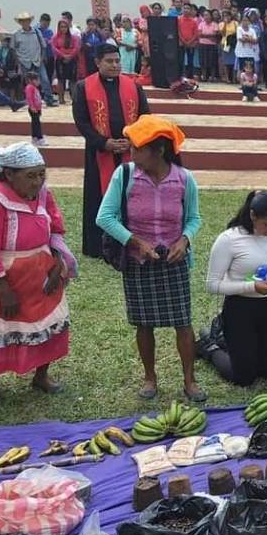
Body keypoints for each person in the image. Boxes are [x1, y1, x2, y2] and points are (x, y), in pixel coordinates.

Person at [0, 143, 75, 404]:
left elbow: (55, 228)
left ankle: (41, 376)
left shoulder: (42, 193)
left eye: (41, 174)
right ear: (9, 174)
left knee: (47, 322)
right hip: (3, 275)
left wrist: (56, 262)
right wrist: (2, 288)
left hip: (41, 272)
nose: (38, 181)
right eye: (30, 176)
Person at [96, 115, 203, 401]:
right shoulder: (125, 176)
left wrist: (184, 240)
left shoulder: (184, 179)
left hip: (173, 261)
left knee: (183, 322)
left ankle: (189, 380)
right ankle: (150, 377)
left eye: (137, 148)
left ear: (159, 150)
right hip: (139, 262)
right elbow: (104, 217)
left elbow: (194, 219)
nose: (130, 153)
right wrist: (136, 242)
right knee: (144, 323)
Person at [74, 43, 150, 258]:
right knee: (99, 197)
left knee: (131, 195)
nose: (115, 65)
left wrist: (133, 140)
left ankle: (130, 242)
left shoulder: (134, 86)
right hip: (99, 153)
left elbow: (145, 116)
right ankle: (98, 247)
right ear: (97, 62)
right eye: (109, 61)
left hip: (130, 151)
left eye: (117, 61)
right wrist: (103, 143)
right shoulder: (83, 87)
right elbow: (81, 122)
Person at [206, 191, 267, 385]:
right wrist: (251, 287)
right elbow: (212, 285)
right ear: (253, 215)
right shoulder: (229, 239)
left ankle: (231, 345)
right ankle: (209, 347)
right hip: (240, 307)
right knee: (244, 377)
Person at [12, 12, 56, 107]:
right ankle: (32, 101)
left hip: (37, 60)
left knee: (45, 80)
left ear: (29, 21)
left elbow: (43, 46)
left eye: (27, 20)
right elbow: (13, 49)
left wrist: (42, 58)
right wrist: (18, 61)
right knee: (29, 84)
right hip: (25, 62)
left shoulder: (36, 32)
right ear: (20, 22)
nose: (25, 23)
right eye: (23, 21)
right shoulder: (16, 34)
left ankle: (49, 99)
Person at [51, 20, 79, 105]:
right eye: (61, 27)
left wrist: (70, 56)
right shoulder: (55, 37)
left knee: (73, 80)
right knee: (61, 80)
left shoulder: (73, 37)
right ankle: (61, 99)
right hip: (60, 60)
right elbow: (54, 48)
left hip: (72, 60)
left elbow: (76, 47)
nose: (63, 29)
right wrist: (63, 55)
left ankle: (74, 99)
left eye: (65, 27)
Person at [197, 9, 220, 81]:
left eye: (207, 15)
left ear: (211, 16)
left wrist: (205, 35)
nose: (206, 17)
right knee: (203, 61)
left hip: (212, 45)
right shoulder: (201, 24)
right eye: (204, 15)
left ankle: (212, 77)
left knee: (212, 61)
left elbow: (215, 35)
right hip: (202, 44)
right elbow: (199, 34)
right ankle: (204, 76)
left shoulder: (215, 24)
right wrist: (209, 35)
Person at [24, 72, 45, 147]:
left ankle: (35, 137)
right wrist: (32, 107)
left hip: (37, 108)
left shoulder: (34, 88)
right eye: (36, 80)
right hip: (33, 109)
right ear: (30, 80)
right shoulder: (29, 87)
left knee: (35, 123)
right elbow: (29, 98)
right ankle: (40, 138)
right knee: (37, 124)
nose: (38, 82)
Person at [220, 10, 238, 83]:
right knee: (225, 62)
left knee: (234, 61)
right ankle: (227, 78)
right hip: (225, 44)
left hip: (233, 43)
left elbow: (237, 32)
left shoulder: (235, 23)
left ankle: (234, 78)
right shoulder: (222, 24)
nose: (227, 17)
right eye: (225, 16)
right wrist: (225, 23)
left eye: (228, 15)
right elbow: (223, 33)